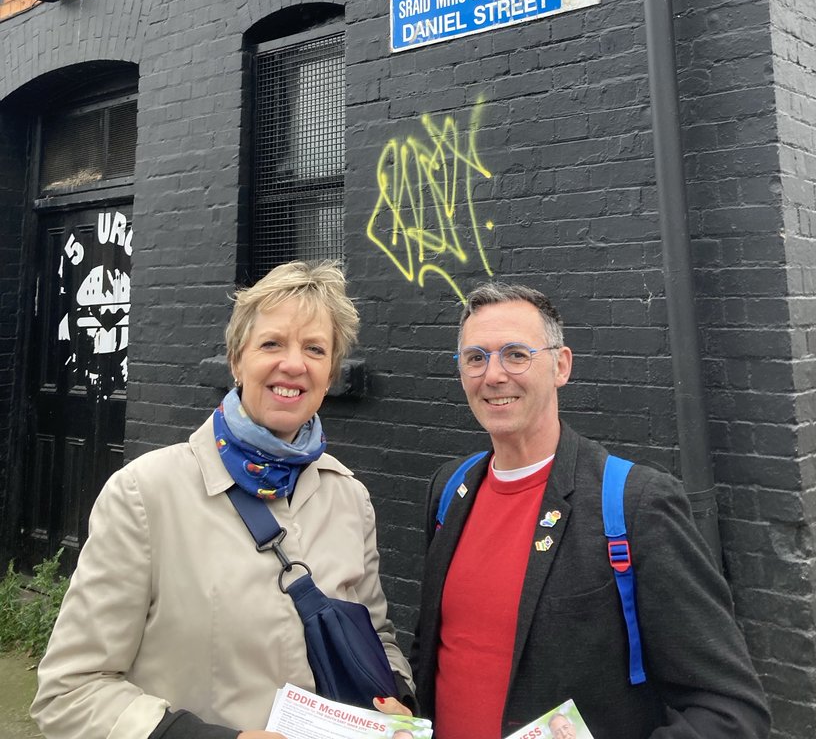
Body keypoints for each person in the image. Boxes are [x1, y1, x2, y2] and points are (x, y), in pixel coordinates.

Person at [33, 261, 413, 739]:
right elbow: (69, 692)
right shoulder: (146, 493)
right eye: (271, 343)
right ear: (237, 361)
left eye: (315, 349)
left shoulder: (349, 497)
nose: (293, 364)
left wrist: (396, 701)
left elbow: (377, 638)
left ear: (330, 372)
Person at [411, 282, 771, 739]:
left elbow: (730, 710)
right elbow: (432, 646)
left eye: (516, 354)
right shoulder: (449, 489)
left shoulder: (635, 503)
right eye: (476, 357)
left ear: (561, 365)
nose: (494, 375)